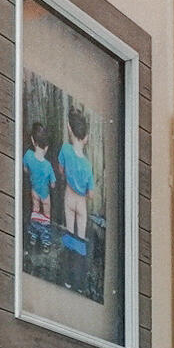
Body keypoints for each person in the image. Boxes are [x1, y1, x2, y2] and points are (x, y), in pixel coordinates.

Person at [57, 104, 97, 258]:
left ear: (69, 128)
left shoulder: (65, 149)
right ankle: (78, 270)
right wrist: (86, 191)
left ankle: (67, 274)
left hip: (69, 197)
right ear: (86, 138)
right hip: (81, 202)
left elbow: (61, 169)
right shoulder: (88, 165)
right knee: (80, 238)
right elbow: (91, 194)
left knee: (69, 233)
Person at [22, 119, 58, 255]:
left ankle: (33, 235)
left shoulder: (28, 156)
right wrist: (50, 183)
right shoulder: (48, 166)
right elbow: (53, 184)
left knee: (35, 210)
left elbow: (25, 169)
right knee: (46, 215)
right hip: (45, 193)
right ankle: (45, 242)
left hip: (34, 190)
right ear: (47, 147)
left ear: (32, 140)